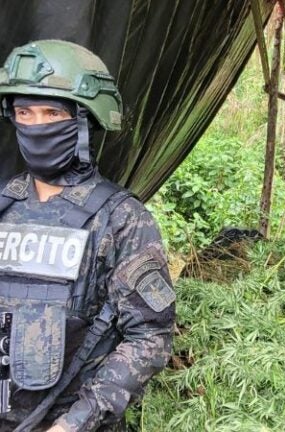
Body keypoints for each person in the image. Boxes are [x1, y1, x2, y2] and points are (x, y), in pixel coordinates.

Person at [0, 40, 174, 431]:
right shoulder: (5, 206)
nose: (36, 125)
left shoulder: (120, 218)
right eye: (24, 112)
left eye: (51, 113)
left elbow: (150, 336)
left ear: (82, 121)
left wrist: (76, 422)